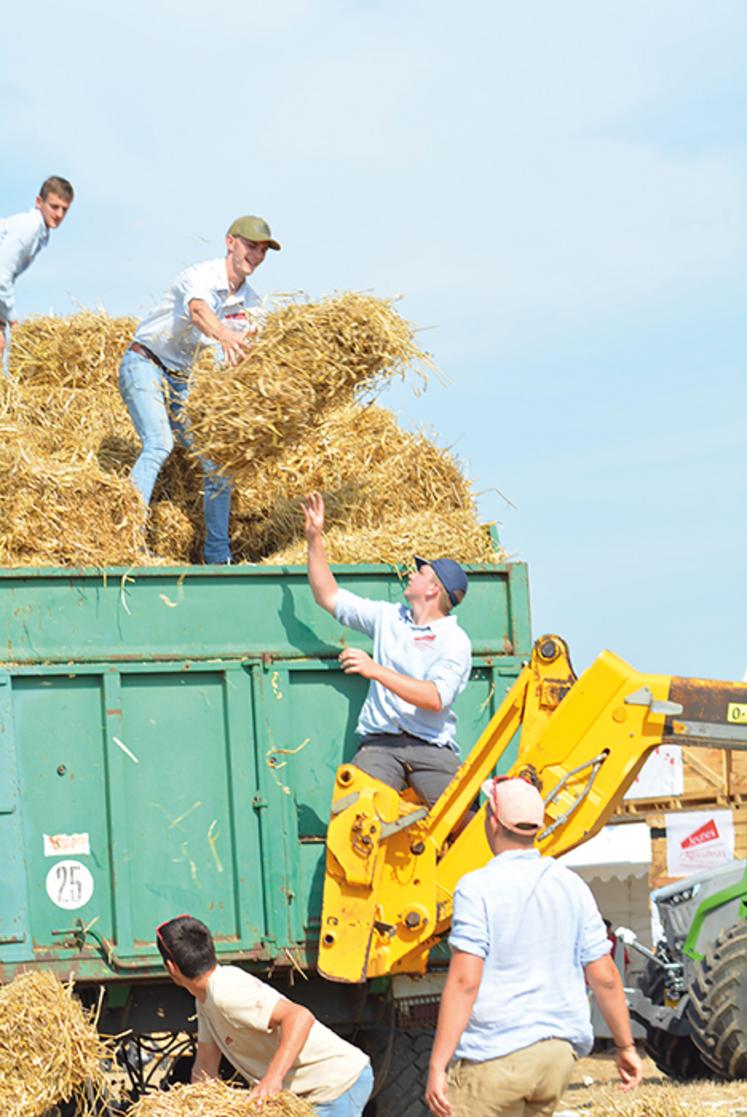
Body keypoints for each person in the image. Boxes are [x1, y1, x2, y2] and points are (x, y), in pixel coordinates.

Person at [425, 776, 644, 1117]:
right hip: (556, 1060)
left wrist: (438, 1065)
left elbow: (465, 981)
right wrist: (625, 1046)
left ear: (492, 821)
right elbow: (605, 978)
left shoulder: (476, 887)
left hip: (496, 1057)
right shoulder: (572, 885)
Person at [118, 215, 280, 563]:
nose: (256, 255)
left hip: (183, 379)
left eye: (263, 250)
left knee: (218, 461)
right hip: (145, 362)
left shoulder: (251, 303)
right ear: (230, 242)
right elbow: (198, 311)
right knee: (160, 442)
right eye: (251, 246)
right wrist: (224, 335)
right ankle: (126, 540)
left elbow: (250, 350)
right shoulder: (201, 276)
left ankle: (218, 557)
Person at [303, 490, 472, 807]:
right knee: (356, 815)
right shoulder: (388, 617)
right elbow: (328, 596)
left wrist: (375, 670)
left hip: (432, 748)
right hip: (380, 745)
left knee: (464, 820)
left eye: (420, 572)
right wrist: (315, 538)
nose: (411, 574)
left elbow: (435, 699)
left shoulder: (454, 640)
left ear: (434, 589)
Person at [156, 914, 373, 1116]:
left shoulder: (227, 993)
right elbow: (205, 1064)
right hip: (308, 1093)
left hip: (335, 1085)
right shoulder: (204, 998)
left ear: (171, 967)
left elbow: (300, 1017)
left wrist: (271, 1079)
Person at [0, 176, 75, 366]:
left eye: (64, 209)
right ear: (39, 202)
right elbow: (2, 273)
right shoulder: (29, 228)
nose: (59, 214)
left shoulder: (39, 233)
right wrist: (13, 320)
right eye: (54, 206)